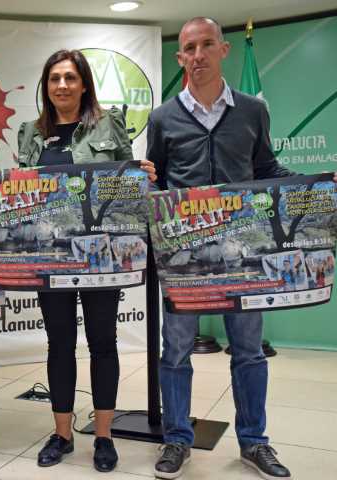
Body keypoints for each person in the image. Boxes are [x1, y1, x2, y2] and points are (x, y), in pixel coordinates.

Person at [146, 17, 335, 480]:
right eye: (190, 48)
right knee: (175, 351)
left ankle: (254, 442)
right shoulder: (163, 117)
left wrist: (320, 186)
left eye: (207, 45)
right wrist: (145, 186)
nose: (198, 55)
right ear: (180, 57)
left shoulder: (252, 110)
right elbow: (158, 180)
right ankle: (177, 439)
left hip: (244, 257)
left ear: (223, 50)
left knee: (248, 350)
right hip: (185, 260)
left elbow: (267, 167)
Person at [12, 49, 156, 473]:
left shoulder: (109, 124)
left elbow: (128, 185)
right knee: (59, 344)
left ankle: (104, 437)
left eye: (70, 77)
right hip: (50, 257)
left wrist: (144, 177)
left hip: (100, 257)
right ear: (46, 85)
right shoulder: (30, 133)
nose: (62, 85)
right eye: (54, 78)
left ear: (84, 84)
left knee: (102, 342)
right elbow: (23, 192)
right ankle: (61, 435)